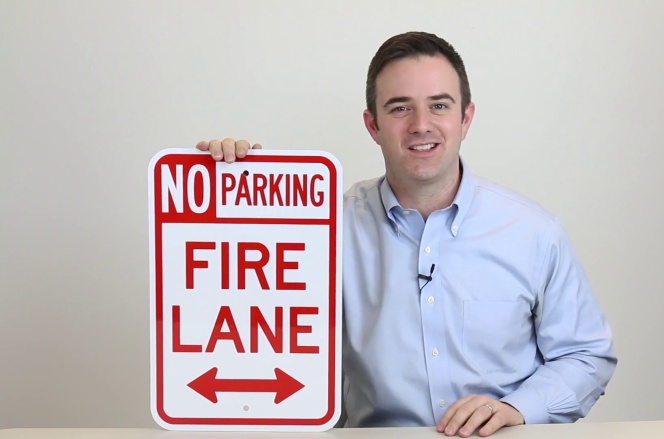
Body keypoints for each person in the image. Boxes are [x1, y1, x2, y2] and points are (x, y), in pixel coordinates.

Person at [197, 31, 616, 437]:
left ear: (466, 118)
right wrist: (231, 191)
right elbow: (243, 316)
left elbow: (586, 355)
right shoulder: (322, 229)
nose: (421, 125)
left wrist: (517, 408)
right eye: (400, 108)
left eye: (439, 105)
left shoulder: (533, 232)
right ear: (373, 125)